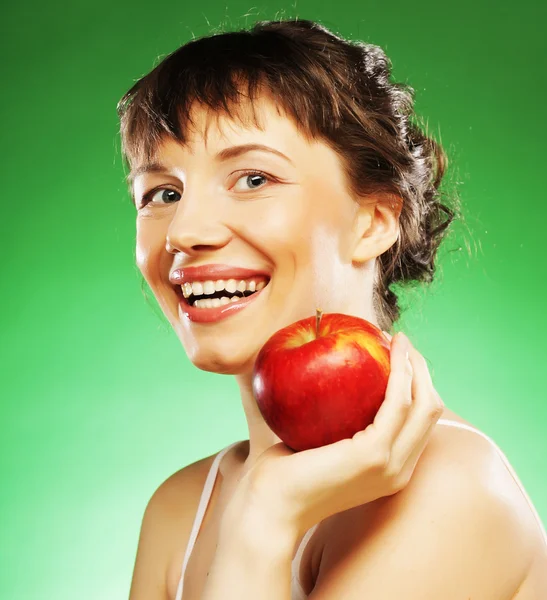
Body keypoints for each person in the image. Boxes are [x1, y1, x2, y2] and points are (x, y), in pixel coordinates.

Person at [117, 18, 547, 600]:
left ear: (373, 222)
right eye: (162, 194)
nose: (185, 230)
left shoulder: (453, 488)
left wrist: (266, 519)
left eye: (252, 178)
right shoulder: (179, 509)